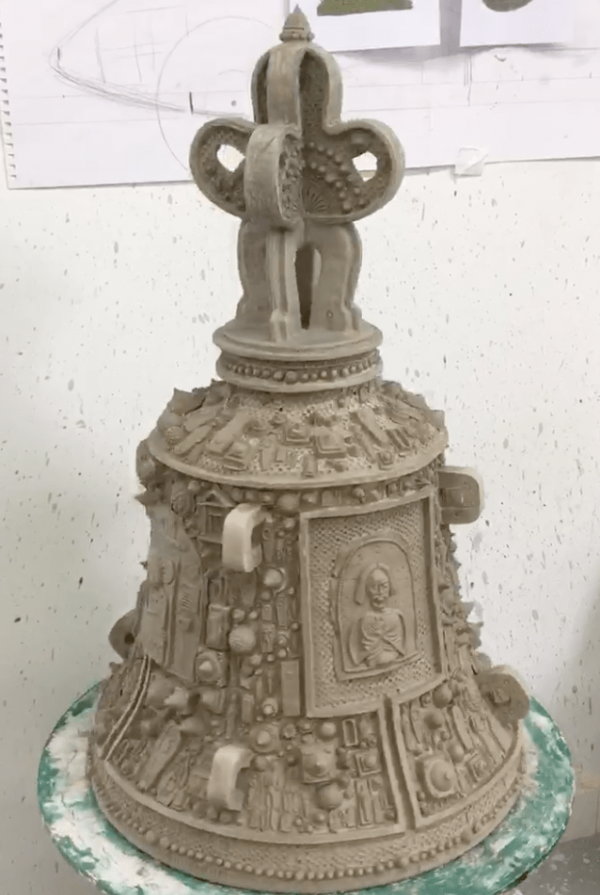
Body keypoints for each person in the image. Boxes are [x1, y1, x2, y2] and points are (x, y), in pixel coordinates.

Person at [347, 563, 405, 669]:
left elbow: (398, 643)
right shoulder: (363, 620)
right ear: (366, 589)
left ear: (390, 587)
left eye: (384, 586)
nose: (380, 592)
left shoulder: (396, 616)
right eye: (373, 587)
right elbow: (364, 646)